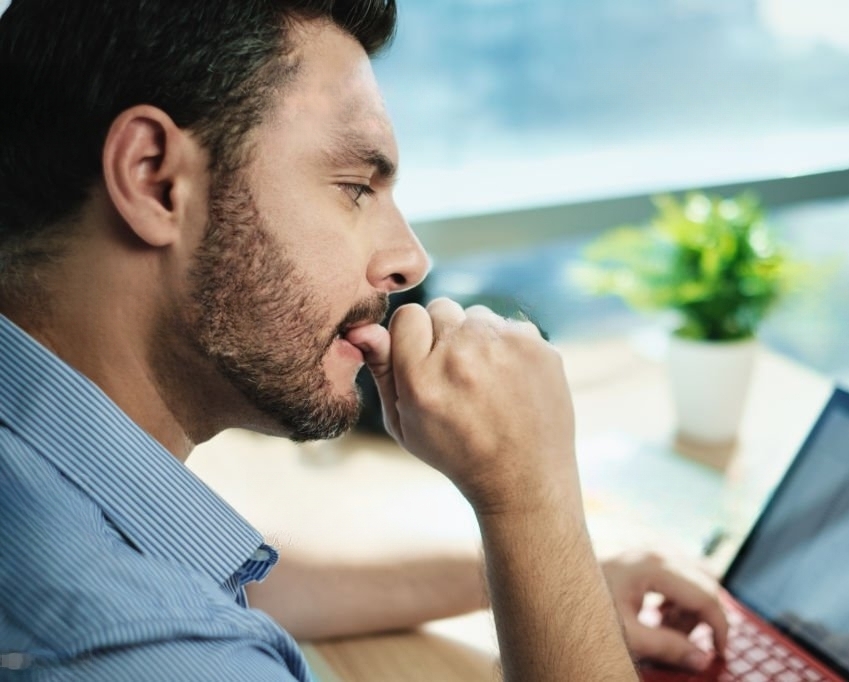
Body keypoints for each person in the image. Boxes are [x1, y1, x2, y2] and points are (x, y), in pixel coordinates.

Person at [0, 1, 728, 680]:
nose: (409, 258)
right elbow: (168, 616)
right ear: (155, 180)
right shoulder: (151, 649)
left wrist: (553, 579)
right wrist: (533, 503)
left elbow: (222, 582)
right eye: (355, 185)